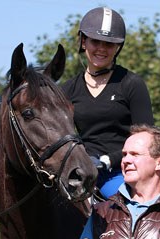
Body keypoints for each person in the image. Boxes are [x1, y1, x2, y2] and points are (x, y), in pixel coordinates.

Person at [61, 7, 154, 199]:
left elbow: (147, 139)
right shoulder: (67, 90)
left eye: (109, 44)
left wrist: (108, 160)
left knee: (125, 210)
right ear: (84, 41)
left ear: (118, 47)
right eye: (95, 41)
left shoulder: (131, 84)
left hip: (121, 172)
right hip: (80, 170)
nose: (101, 49)